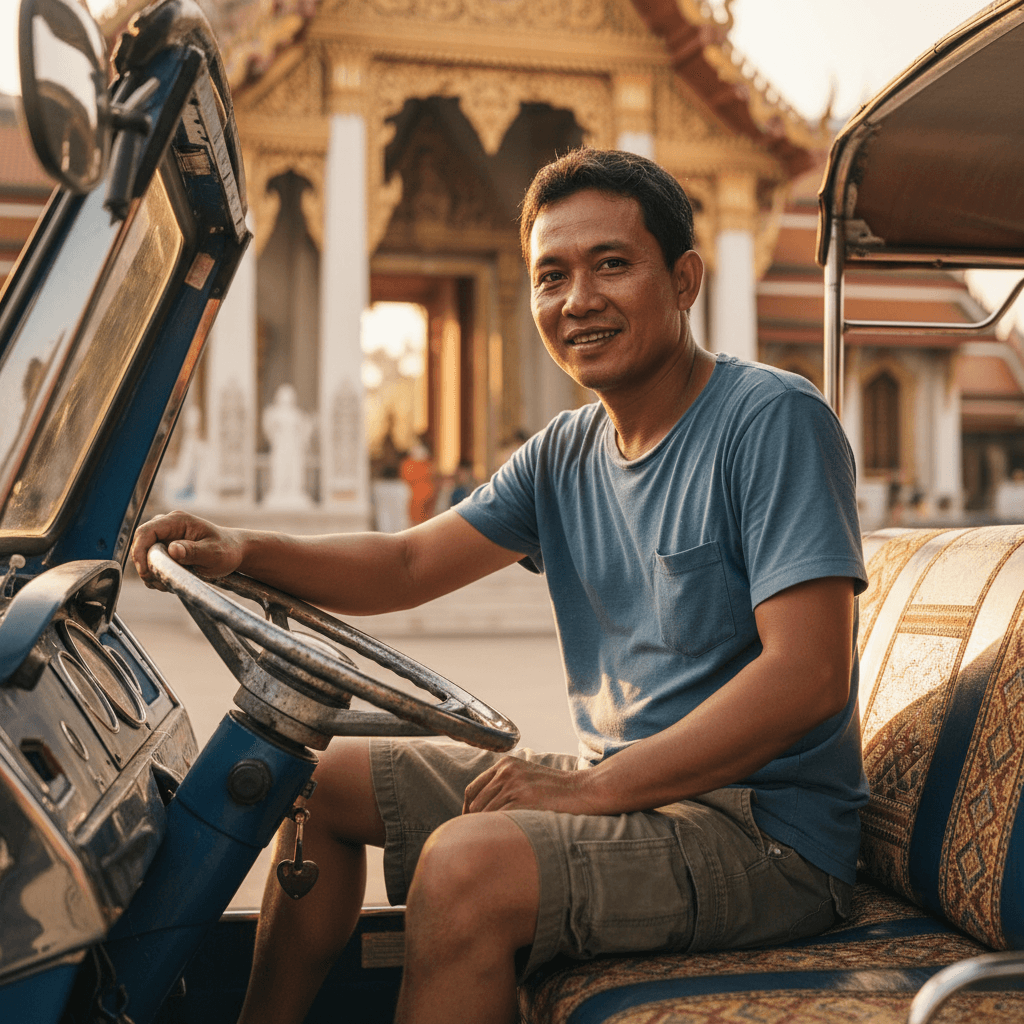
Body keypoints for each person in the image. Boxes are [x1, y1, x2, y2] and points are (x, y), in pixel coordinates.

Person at [132, 148, 868, 1024]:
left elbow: (808, 676)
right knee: (311, 778)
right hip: (632, 792)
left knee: (466, 866)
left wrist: (590, 792)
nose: (579, 300)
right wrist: (242, 549)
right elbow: (408, 565)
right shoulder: (564, 453)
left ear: (684, 281)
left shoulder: (771, 419)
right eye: (551, 276)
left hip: (766, 834)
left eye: (611, 264)